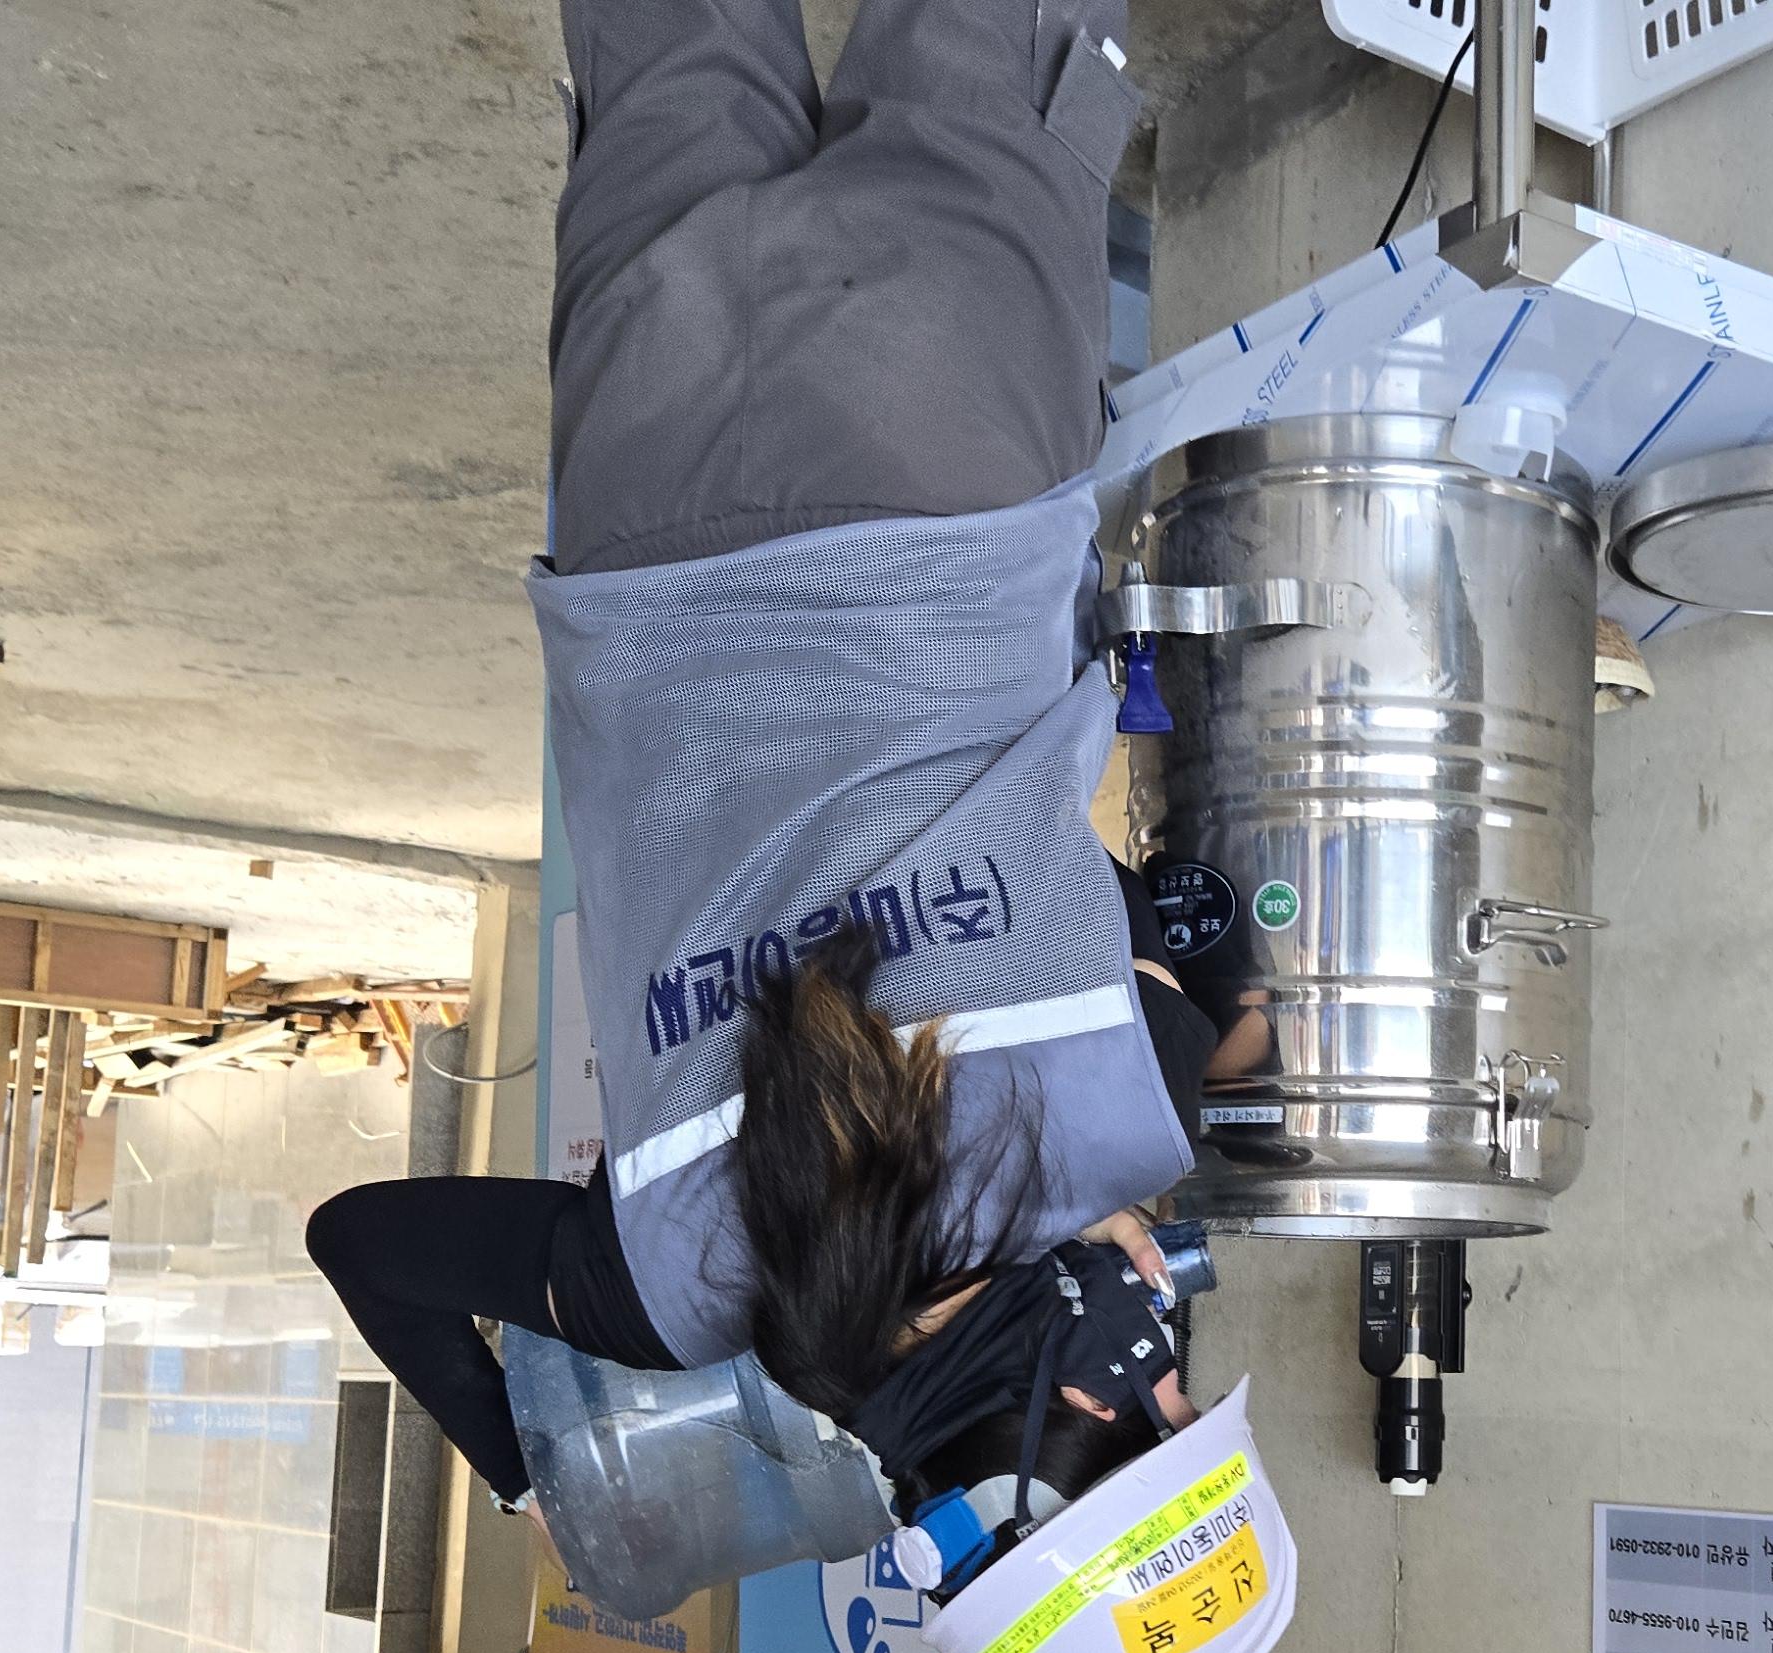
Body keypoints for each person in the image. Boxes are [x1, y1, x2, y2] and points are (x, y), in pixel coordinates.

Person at [309, 0, 1254, 1532]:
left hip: (946, 440)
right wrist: (520, 1471)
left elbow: (1139, 908)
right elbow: (362, 1244)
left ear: (1093, 1401)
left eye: (1171, 1403)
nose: (1173, 1369)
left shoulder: (1131, 1109)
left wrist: (1162, 1101)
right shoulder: (661, 1287)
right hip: (646, 478)